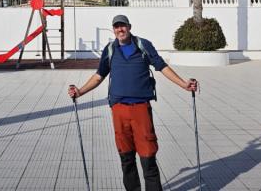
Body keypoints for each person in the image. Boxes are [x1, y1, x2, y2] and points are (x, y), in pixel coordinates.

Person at [68, 14, 198, 191]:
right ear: (113, 30)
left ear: (129, 27)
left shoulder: (143, 45)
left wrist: (184, 84)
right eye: (116, 27)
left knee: (148, 156)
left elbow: (162, 66)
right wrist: (80, 91)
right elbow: (99, 76)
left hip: (141, 110)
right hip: (119, 111)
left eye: (123, 26)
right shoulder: (110, 49)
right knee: (126, 159)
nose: (120, 30)